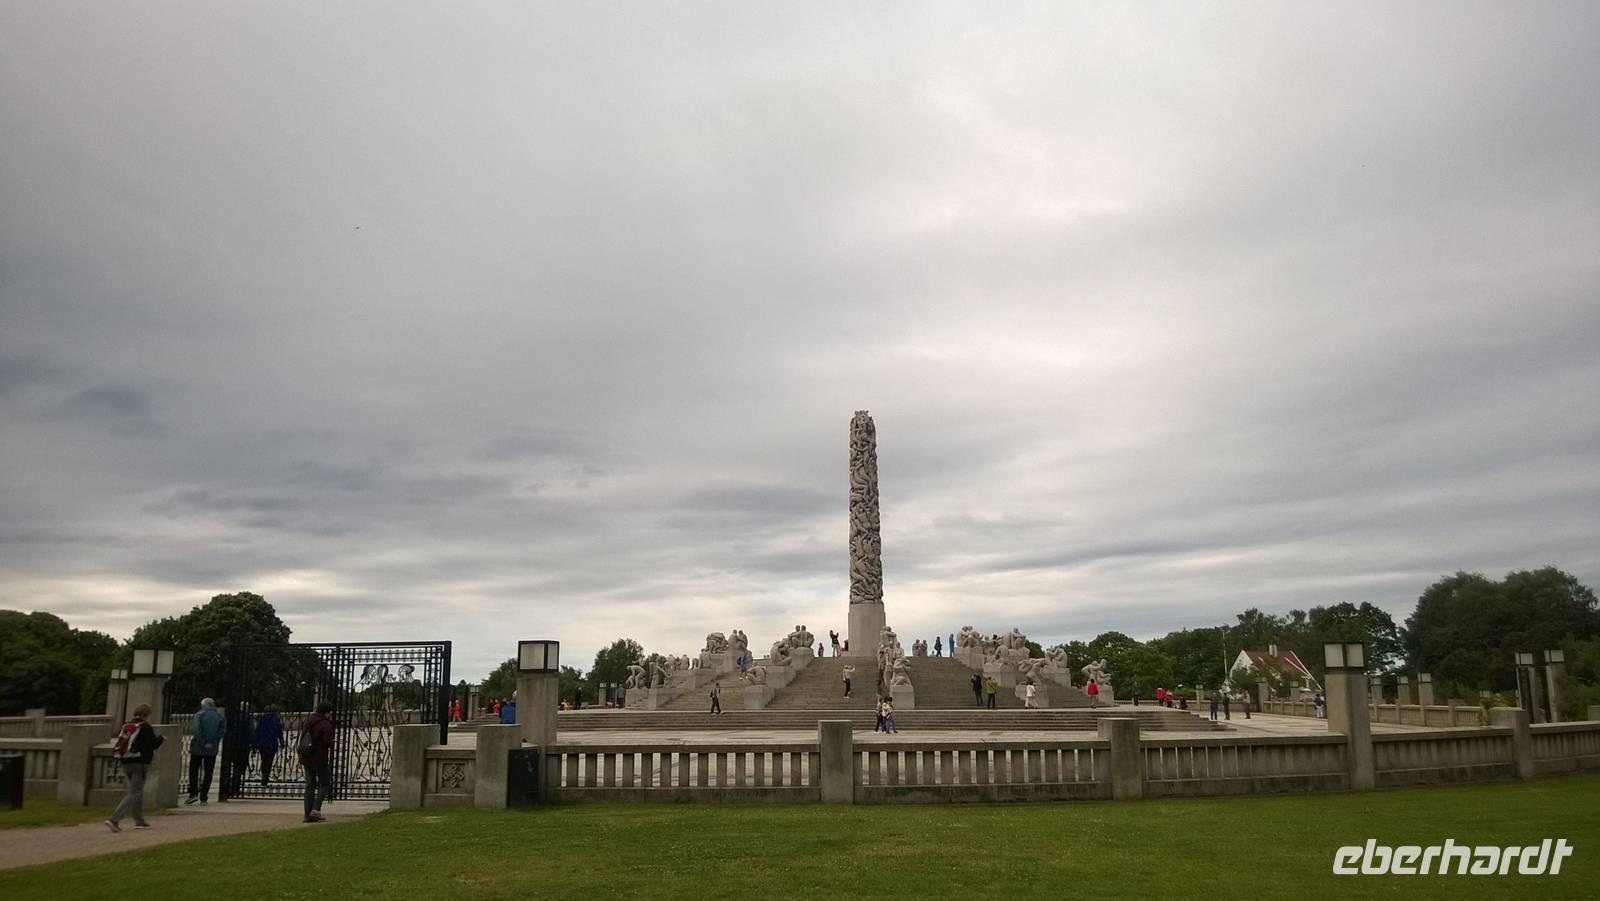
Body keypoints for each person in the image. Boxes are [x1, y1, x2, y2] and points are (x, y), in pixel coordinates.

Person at [106, 703, 163, 831]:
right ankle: (114, 819)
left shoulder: (127, 725)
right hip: (140, 762)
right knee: (134, 792)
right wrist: (161, 739)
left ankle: (139, 819)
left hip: (126, 761)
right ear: (147, 715)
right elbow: (152, 745)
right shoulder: (145, 727)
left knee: (137, 790)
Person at [299, 700, 336, 823]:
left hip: (306, 756)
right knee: (325, 783)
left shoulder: (309, 720)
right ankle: (315, 810)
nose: (331, 715)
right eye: (330, 712)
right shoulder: (325, 724)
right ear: (326, 712)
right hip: (319, 758)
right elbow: (327, 741)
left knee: (310, 784)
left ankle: (307, 813)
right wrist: (333, 742)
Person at [186, 698, 225, 805]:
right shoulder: (220, 717)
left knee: (193, 770)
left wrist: (203, 741)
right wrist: (212, 742)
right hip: (212, 748)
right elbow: (221, 732)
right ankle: (204, 796)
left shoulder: (199, 715)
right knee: (208, 772)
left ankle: (193, 793)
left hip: (198, 747)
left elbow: (196, 729)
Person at [253, 706, 284, 788]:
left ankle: (264, 776)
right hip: (272, 743)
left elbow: (257, 732)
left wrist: (255, 744)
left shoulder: (261, 719)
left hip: (262, 743)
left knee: (264, 760)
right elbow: (279, 732)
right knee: (269, 761)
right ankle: (265, 777)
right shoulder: (276, 720)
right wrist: (282, 742)